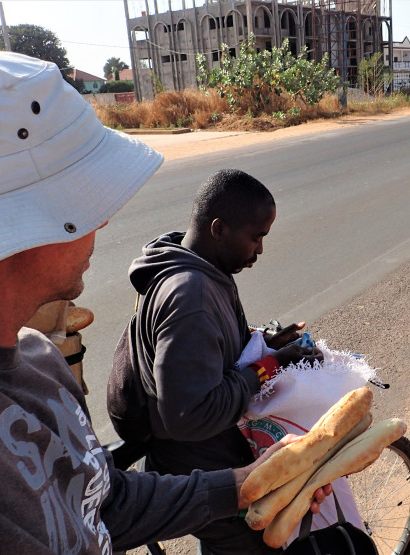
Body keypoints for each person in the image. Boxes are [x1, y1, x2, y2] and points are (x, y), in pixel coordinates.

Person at [0, 51, 328, 554]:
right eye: (85, 200)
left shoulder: (40, 366)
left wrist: (241, 485)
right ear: (15, 217)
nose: (102, 222)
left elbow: (101, 502)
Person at [107, 169, 323, 554]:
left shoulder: (195, 266)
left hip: (197, 453)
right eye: (256, 238)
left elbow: (206, 352)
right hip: (200, 466)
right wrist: (267, 368)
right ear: (219, 229)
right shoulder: (191, 295)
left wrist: (266, 344)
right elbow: (189, 414)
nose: (259, 250)